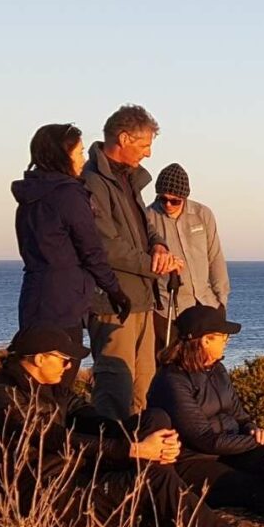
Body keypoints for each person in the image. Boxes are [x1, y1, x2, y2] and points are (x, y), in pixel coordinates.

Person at [0, 326, 264, 527]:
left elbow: (92, 420)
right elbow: (56, 440)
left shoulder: (52, 388)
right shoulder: (2, 397)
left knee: (155, 418)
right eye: (63, 359)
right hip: (50, 492)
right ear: (39, 358)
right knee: (154, 478)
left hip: (80, 471)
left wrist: (149, 441)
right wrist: (133, 449)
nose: (70, 365)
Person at [148, 306, 264, 524]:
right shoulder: (172, 381)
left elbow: (240, 416)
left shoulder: (218, 370)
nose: (227, 340)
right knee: (248, 484)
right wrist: (253, 443)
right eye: (222, 336)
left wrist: (254, 430)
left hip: (229, 449)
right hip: (193, 461)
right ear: (204, 340)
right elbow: (205, 440)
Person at [13, 123, 131, 387]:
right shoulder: (68, 194)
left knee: (33, 380)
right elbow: (91, 250)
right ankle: (52, 428)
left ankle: (30, 426)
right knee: (60, 379)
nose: (83, 159)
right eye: (78, 153)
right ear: (61, 155)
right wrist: (116, 291)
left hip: (34, 296)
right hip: (63, 302)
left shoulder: (29, 196)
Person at [82, 104, 180, 421]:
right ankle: (112, 456)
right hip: (112, 301)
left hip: (140, 297)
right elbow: (104, 246)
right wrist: (153, 264)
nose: (149, 154)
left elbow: (144, 226)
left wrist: (160, 245)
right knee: (115, 384)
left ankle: (142, 458)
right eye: (145, 145)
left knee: (144, 384)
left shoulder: (128, 179)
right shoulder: (93, 182)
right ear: (124, 138)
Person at [146, 163, 230, 336]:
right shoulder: (147, 218)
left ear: (184, 197)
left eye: (174, 200)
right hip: (167, 310)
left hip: (206, 304)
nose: (168, 205)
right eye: (163, 199)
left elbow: (215, 257)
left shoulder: (203, 214)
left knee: (205, 361)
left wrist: (221, 301)